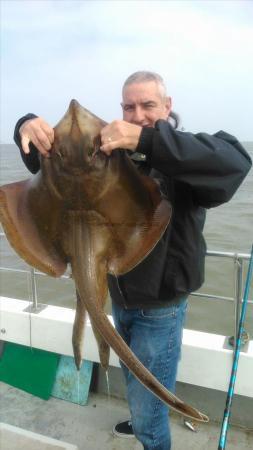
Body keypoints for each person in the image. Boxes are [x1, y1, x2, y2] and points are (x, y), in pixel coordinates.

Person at [14, 71, 252, 450]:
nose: (137, 114)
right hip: (119, 296)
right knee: (135, 384)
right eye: (129, 106)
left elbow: (235, 163)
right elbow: (48, 165)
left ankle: (150, 431)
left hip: (160, 309)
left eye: (148, 105)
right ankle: (144, 416)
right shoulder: (113, 153)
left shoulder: (186, 156)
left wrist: (147, 140)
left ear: (168, 106)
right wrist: (25, 125)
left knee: (149, 405)